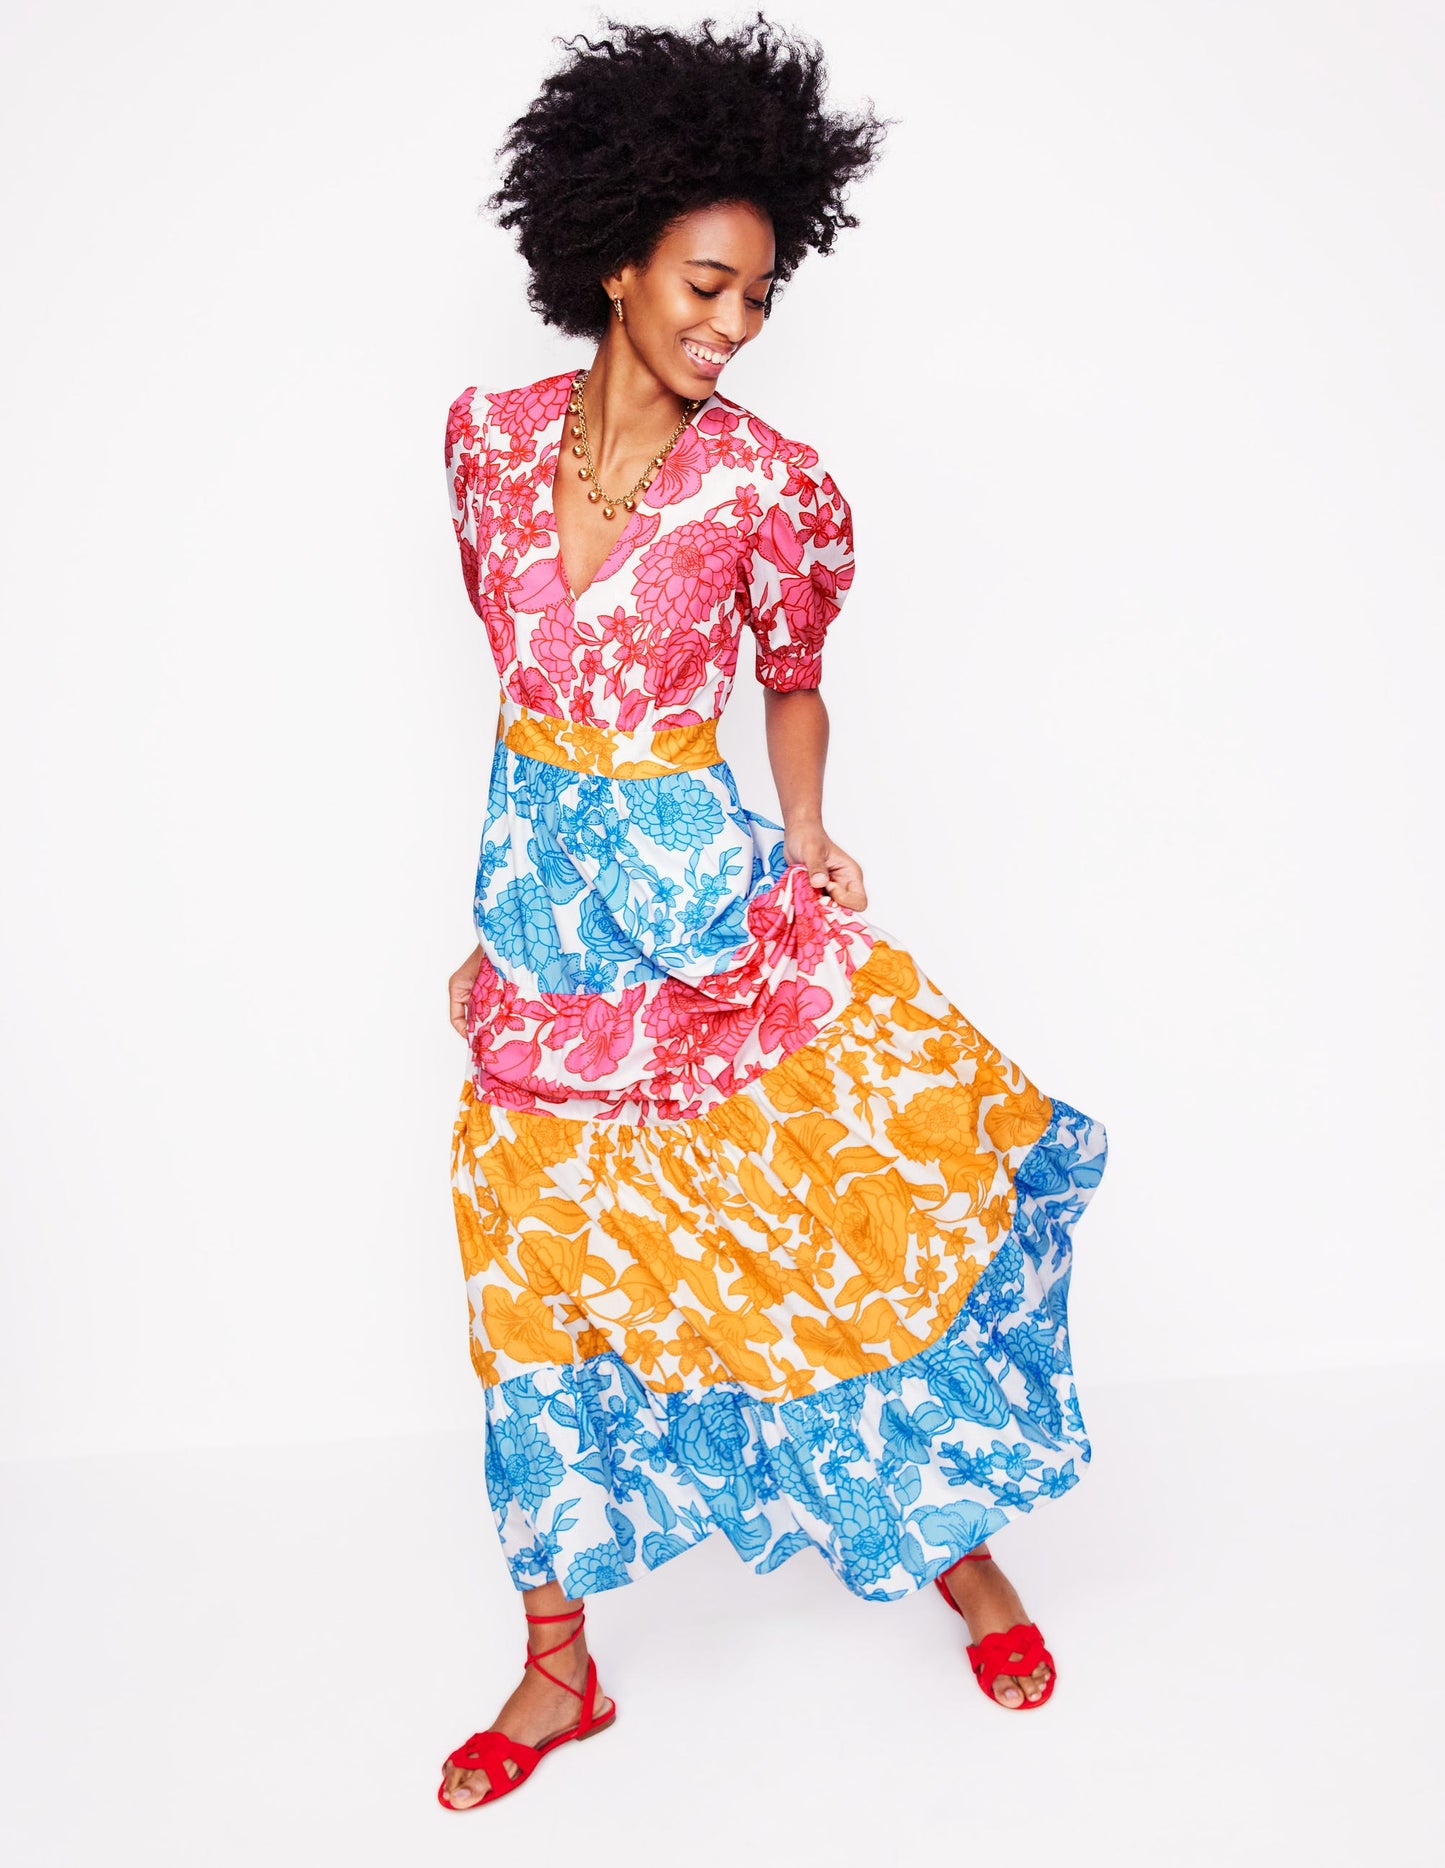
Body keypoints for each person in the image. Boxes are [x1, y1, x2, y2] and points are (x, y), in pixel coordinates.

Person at [436, 17, 1108, 1811]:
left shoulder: (771, 484)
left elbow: (791, 682)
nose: (731, 325)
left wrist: (805, 833)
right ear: (615, 259)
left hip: (704, 917)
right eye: (705, 286)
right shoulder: (484, 447)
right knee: (531, 1279)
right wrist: (500, 912)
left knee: (821, 1234)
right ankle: (558, 1667)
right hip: (545, 942)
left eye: (757, 297)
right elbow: (522, 701)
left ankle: (960, 1552)